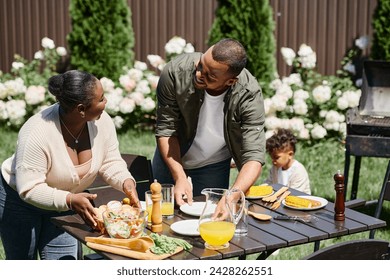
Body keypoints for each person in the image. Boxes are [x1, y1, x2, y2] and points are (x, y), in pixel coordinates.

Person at [0, 70, 140, 260]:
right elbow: (30, 188)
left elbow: (110, 161)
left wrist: (126, 182)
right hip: (20, 203)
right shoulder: (37, 132)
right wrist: (69, 199)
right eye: (101, 99)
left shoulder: (102, 122)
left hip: (67, 204)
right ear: (81, 109)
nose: (106, 102)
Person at [152, 38, 266, 206]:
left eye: (210, 76)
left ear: (230, 81)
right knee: (162, 216)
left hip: (213, 164)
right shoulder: (175, 72)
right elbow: (166, 129)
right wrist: (179, 176)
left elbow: (254, 155)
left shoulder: (249, 94)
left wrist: (231, 197)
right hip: (171, 158)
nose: (199, 74)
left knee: (209, 219)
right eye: (200, 65)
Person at [264, 128, 311, 194]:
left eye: (276, 157)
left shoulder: (298, 171)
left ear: (290, 154)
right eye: (272, 158)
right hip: (279, 199)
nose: (273, 161)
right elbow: (268, 184)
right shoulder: (275, 168)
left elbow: (294, 194)